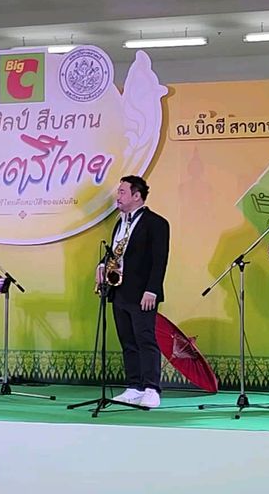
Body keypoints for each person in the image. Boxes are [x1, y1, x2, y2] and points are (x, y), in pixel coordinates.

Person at [97, 175, 170, 409]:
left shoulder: (156, 223)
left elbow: (160, 261)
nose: (117, 196)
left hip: (143, 293)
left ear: (136, 196)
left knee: (145, 339)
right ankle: (134, 386)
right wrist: (102, 265)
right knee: (127, 340)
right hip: (120, 291)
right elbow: (116, 253)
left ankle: (151, 388)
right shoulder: (120, 223)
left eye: (122, 192)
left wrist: (152, 290)